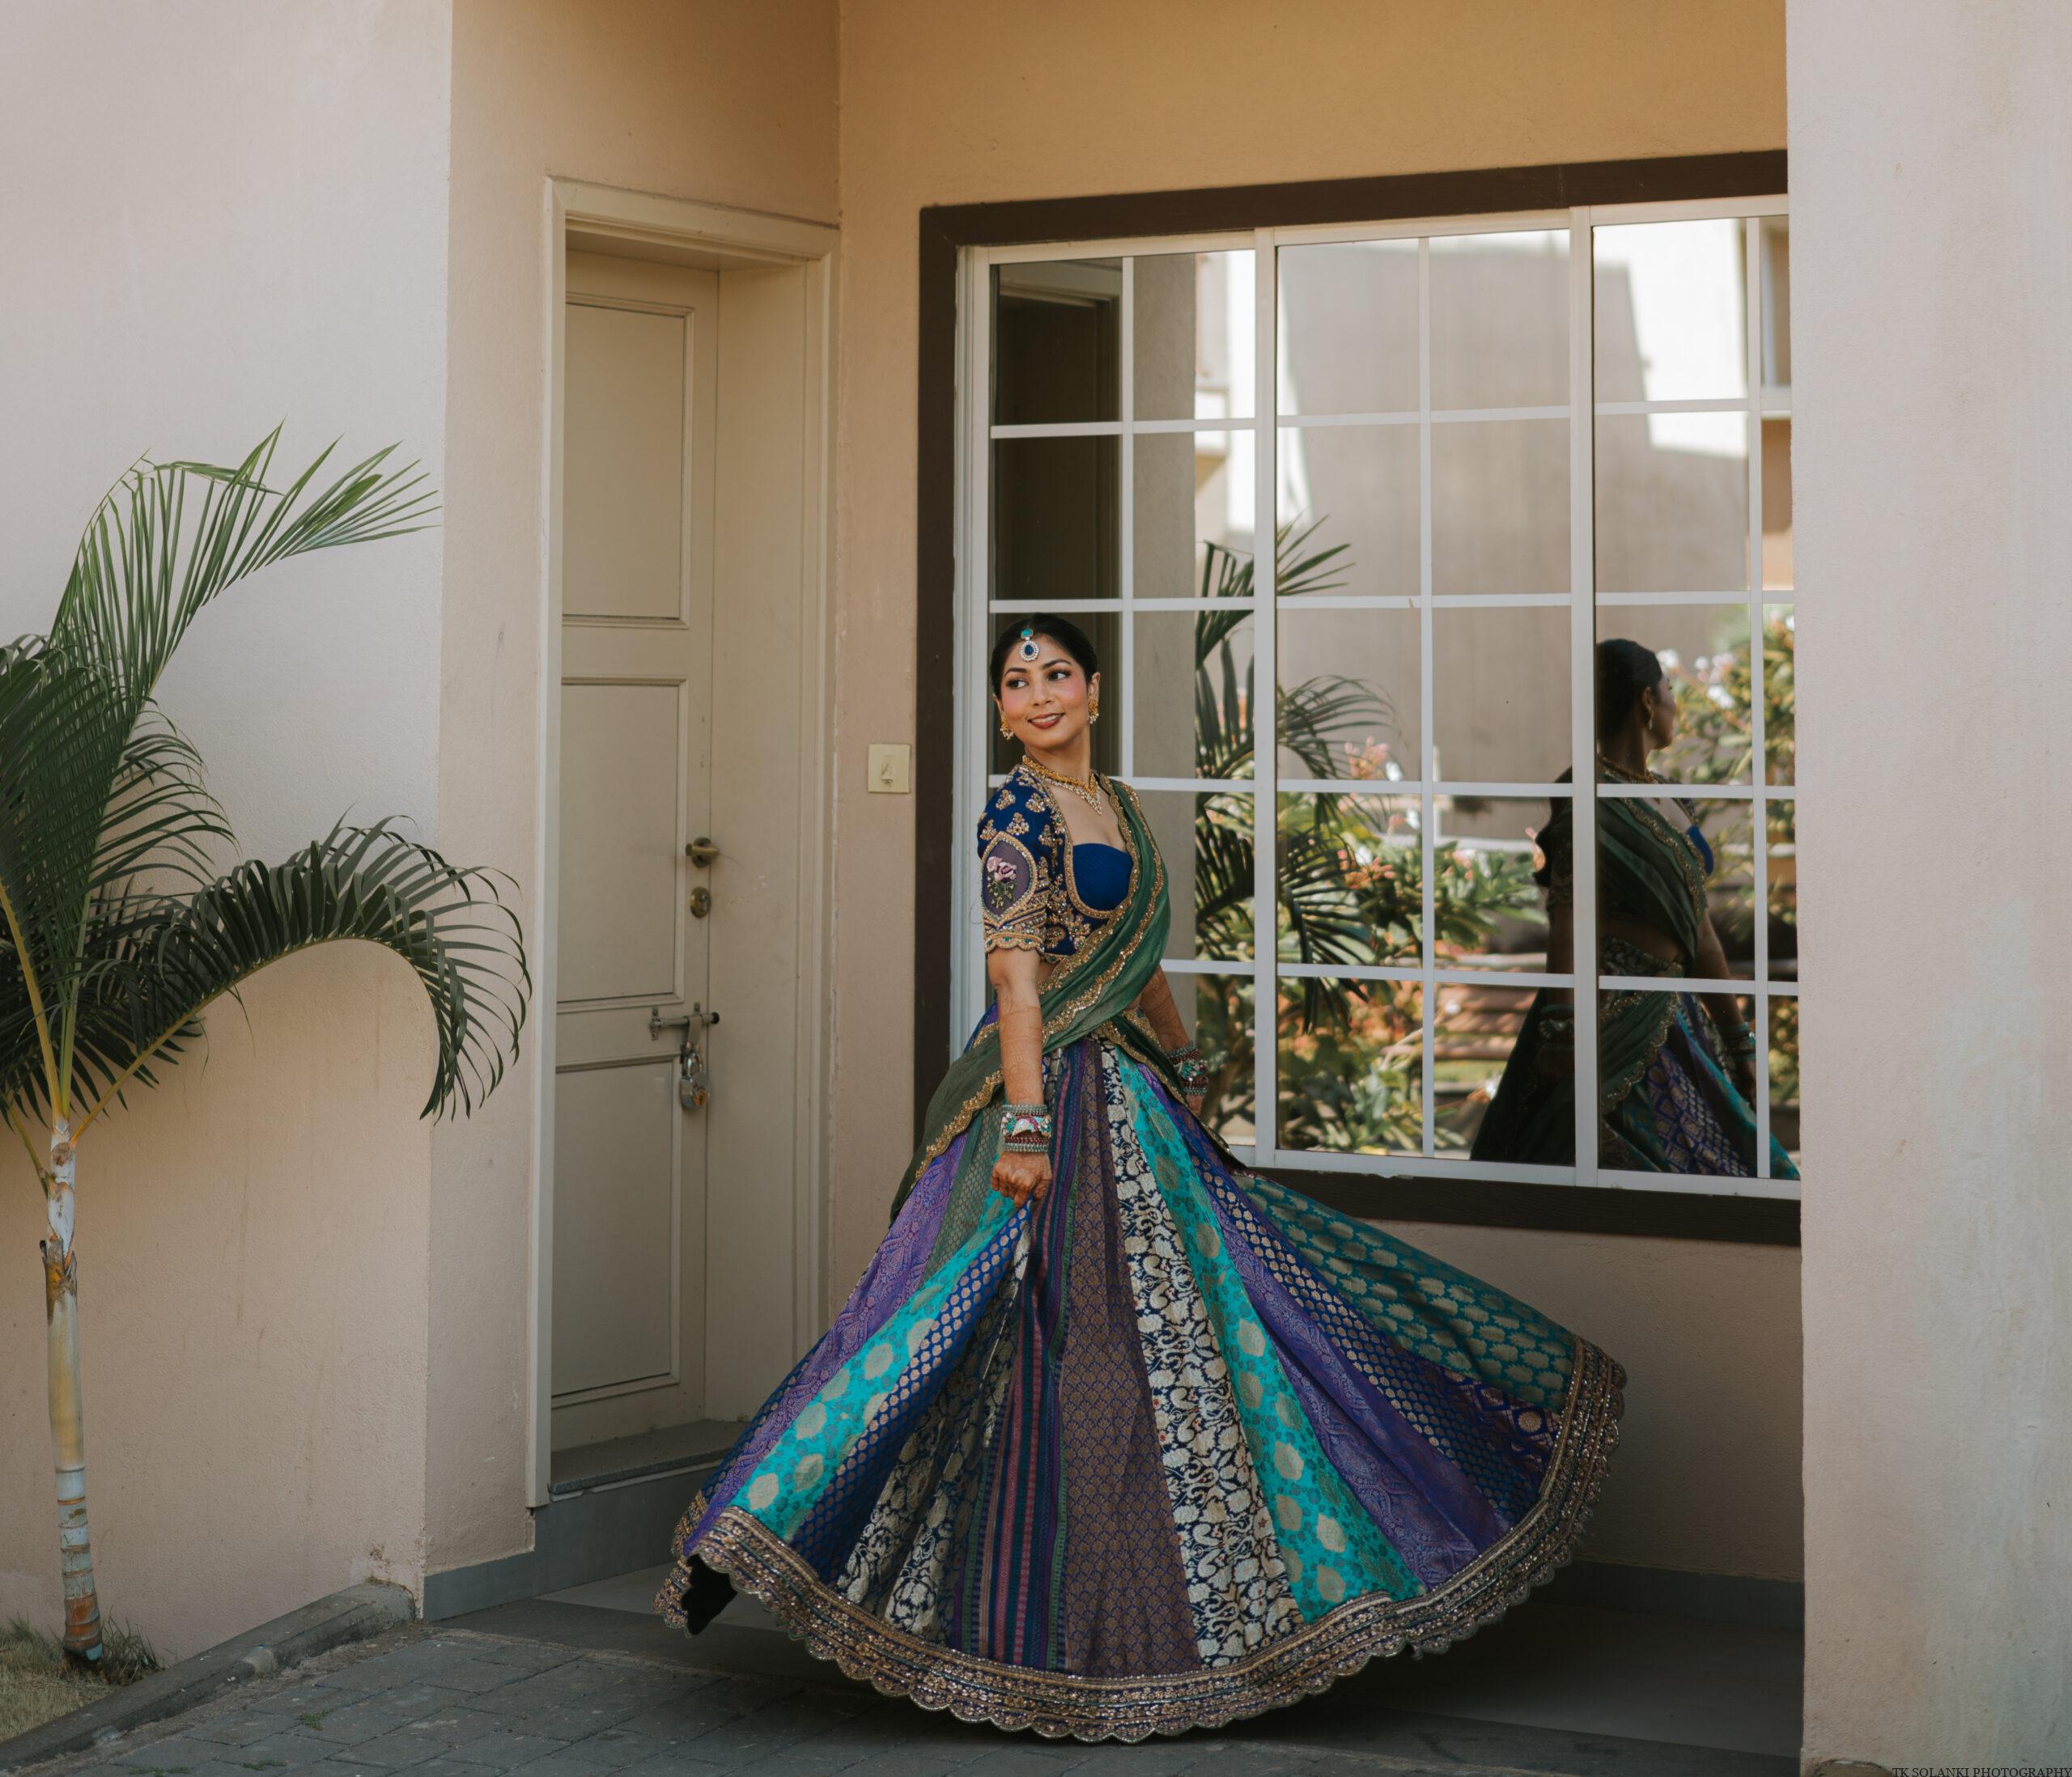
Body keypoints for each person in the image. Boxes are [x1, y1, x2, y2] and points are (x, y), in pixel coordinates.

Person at [655, 614, 1628, 1741]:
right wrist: (1027, 1130)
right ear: (1002, 711)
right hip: (1046, 1102)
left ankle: (1194, 1608)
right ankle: (890, 1577)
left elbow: (1139, 960)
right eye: (1016, 681)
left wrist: (1186, 1056)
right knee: (996, 1334)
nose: (1037, 693)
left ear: (1094, 689)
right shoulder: (1015, 816)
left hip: (1129, 1089)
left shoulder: (1112, 802)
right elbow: (1019, 986)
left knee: (1213, 1322)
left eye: (1055, 673)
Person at [1471, 638, 1798, 1179]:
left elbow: (1700, 930)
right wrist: (1562, 1030)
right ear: (1648, 700)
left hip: (1679, 1016)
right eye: (1670, 691)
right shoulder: (1586, 795)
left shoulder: (1671, 797)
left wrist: (1738, 1040)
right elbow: (1567, 918)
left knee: (1758, 1174)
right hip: (1613, 1017)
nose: (1676, 704)